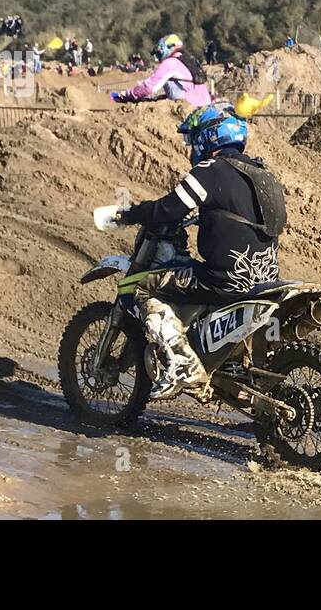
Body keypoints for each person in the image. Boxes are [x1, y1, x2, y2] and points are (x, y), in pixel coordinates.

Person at [114, 94, 284, 400]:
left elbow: (168, 209)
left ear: (210, 135)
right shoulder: (263, 173)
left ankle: (181, 362)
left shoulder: (210, 170)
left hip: (224, 279)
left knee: (139, 287)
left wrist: (127, 214)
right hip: (268, 279)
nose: (192, 148)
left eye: (195, 139)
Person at [110, 34, 211, 110]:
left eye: (158, 53)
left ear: (168, 47)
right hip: (205, 106)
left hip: (187, 109)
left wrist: (126, 95)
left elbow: (149, 87)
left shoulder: (170, 63)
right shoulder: (190, 60)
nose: (158, 58)